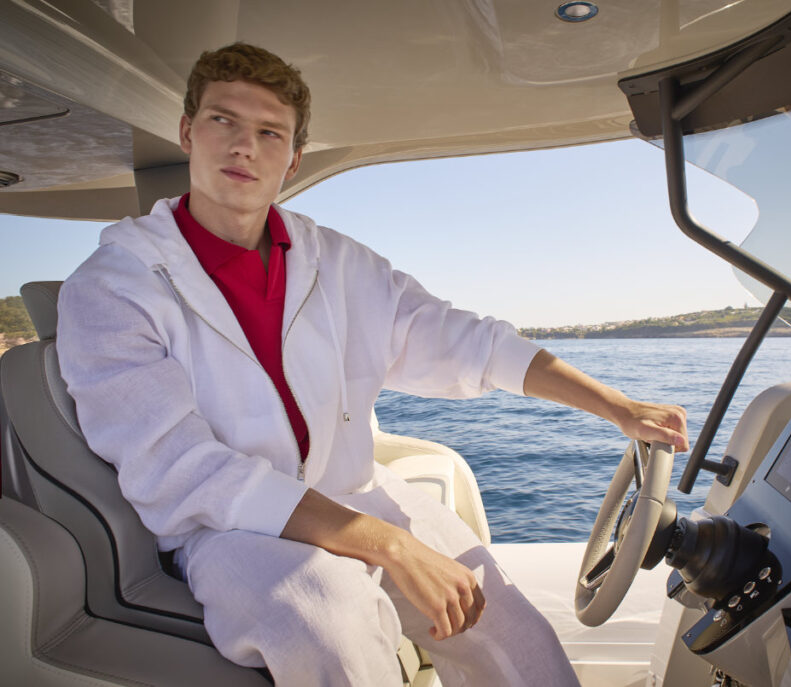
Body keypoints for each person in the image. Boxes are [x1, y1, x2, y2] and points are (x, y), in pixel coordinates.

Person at [56, 42, 689, 686]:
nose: (244, 147)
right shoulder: (114, 286)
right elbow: (182, 469)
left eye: (270, 132)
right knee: (329, 624)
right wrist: (389, 544)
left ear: (294, 158)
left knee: (512, 631)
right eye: (224, 121)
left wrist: (617, 407)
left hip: (352, 494)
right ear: (188, 132)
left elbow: (468, 342)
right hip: (226, 530)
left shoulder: (336, 262)